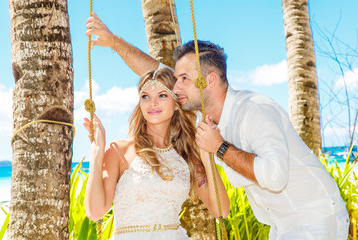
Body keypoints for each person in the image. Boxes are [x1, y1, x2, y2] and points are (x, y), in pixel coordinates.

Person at [86, 12, 350, 240]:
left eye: (183, 79)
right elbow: (157, 76)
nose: (175, 88)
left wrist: (219, 148)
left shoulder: (255, 110)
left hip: (314, 216)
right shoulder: (202, 117)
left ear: (208, 80)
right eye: (175, 82)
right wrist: (114, 42)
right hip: (280, 225)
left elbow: (274, 175)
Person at [83, 67, 230, 239]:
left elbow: (221, 211)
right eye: (145, 97)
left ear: (176, 104)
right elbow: (95, 212)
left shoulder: (186, 156)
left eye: (162, 95)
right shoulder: (119, 150)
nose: (152, 103)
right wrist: (96, 151)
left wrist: (207, 157)